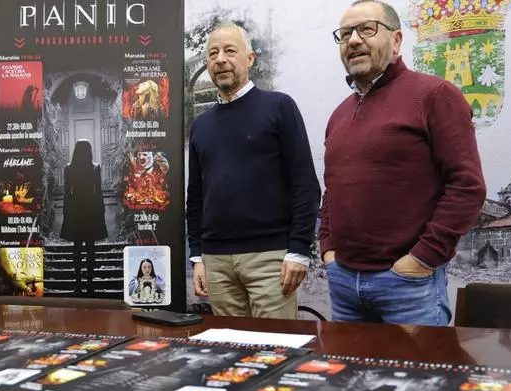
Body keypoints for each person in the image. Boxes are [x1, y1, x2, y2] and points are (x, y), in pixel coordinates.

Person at [320, 0, 486, 325]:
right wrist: (328, 249)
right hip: (343, 284)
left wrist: (422, 259)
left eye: (367, 29)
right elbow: (332, 190)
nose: (354, 40)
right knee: (345, 362)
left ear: (396, 40)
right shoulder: (339, 115)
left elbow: (467, 186)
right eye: (345, 34)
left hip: (408, 286)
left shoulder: (435, 95)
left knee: (417, 362)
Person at [186, 22, 321, 319]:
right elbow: (195, 197)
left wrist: (299, 250)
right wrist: (197, 257)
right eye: (213, 53)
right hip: (216, 262)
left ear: (250, 58)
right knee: (228, 345)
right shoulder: (201, 126)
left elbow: (305, 184)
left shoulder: (279, 107)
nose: (220, 59)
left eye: (230, 51)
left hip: (270, 259)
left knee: (275, 344)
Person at [60, 139, 108, 295]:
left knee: (77, 249)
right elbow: (98, 191)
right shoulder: (95, 167)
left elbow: (67, 192)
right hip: (91, 210)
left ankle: (78, 282)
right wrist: (101, 210)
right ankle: (90, 282)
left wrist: (66, 211)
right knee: (90, 248)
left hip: (75, 210)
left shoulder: (68, 168)